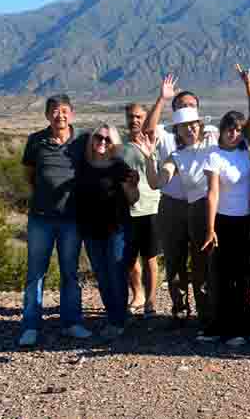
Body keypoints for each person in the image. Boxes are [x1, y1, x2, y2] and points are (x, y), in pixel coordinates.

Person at [18, 94, 91, 347]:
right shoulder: (35, 141)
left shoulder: (83, 140)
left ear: (71, 113)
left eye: (64, 111)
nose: (60, 115)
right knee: (35, 273)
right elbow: (29, 175)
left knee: (70, 272)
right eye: (54, 111)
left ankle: (72, 323)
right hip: (41, 218)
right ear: (47, 115)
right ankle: (30, 326)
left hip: (72, 219)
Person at [202, 72, 250, 346]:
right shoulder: (213, 155)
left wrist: (248, 84)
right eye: (230, 128)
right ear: (222, 129)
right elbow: (212, 193)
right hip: (224, 223)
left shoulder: (244, 148)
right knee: (225, 277)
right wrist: (210, 228)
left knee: (244, 274)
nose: (234, 133)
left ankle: (246, 325)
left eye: (238, 129)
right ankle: (227, 328)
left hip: (246, 221)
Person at [144, 106, 216, 332]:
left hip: (210, 210)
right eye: (185, 126)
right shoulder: (176, 156)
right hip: (195, 208)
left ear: (200, 125)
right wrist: (149, 159)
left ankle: (207, 314)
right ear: (178, 131)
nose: (190, 129)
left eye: (193, 124)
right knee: (179, 263)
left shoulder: (213, 145)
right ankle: (180, 310)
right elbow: (157, 182)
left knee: (202, 263)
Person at [74, 122, 140, 338]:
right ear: (92, 140)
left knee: (116, 273)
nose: (102, 142)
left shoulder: (120, 167)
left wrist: (132, 187)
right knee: (102, 275)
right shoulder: (83, 165)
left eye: (107, 139)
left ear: (114, 143)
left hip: (117, 228)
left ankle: (117, 321)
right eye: (98, 138)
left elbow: (133, 199)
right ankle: (113, 315)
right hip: (90, 229)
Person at [122, 103, 162, 317]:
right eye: (130, 116)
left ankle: (151, 300)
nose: (134, 120)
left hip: (152, 206)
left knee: (150, 257)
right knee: (129, 259)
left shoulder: (154, 142)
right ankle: (137, 294)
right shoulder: (120, 148)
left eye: (138, 116)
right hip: (128, 209)